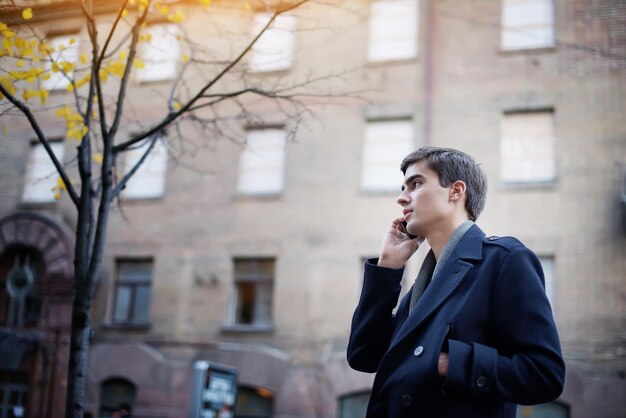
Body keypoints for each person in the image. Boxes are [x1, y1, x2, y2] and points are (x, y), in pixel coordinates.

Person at [347, 146, 565, 418]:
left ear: (456, 191)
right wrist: (387, 267)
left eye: (415, 184)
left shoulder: (504, 261)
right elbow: (364, 356)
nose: (402, 199)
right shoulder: (421, 290)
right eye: (403, 188)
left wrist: (452, 363)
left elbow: (544, 375)